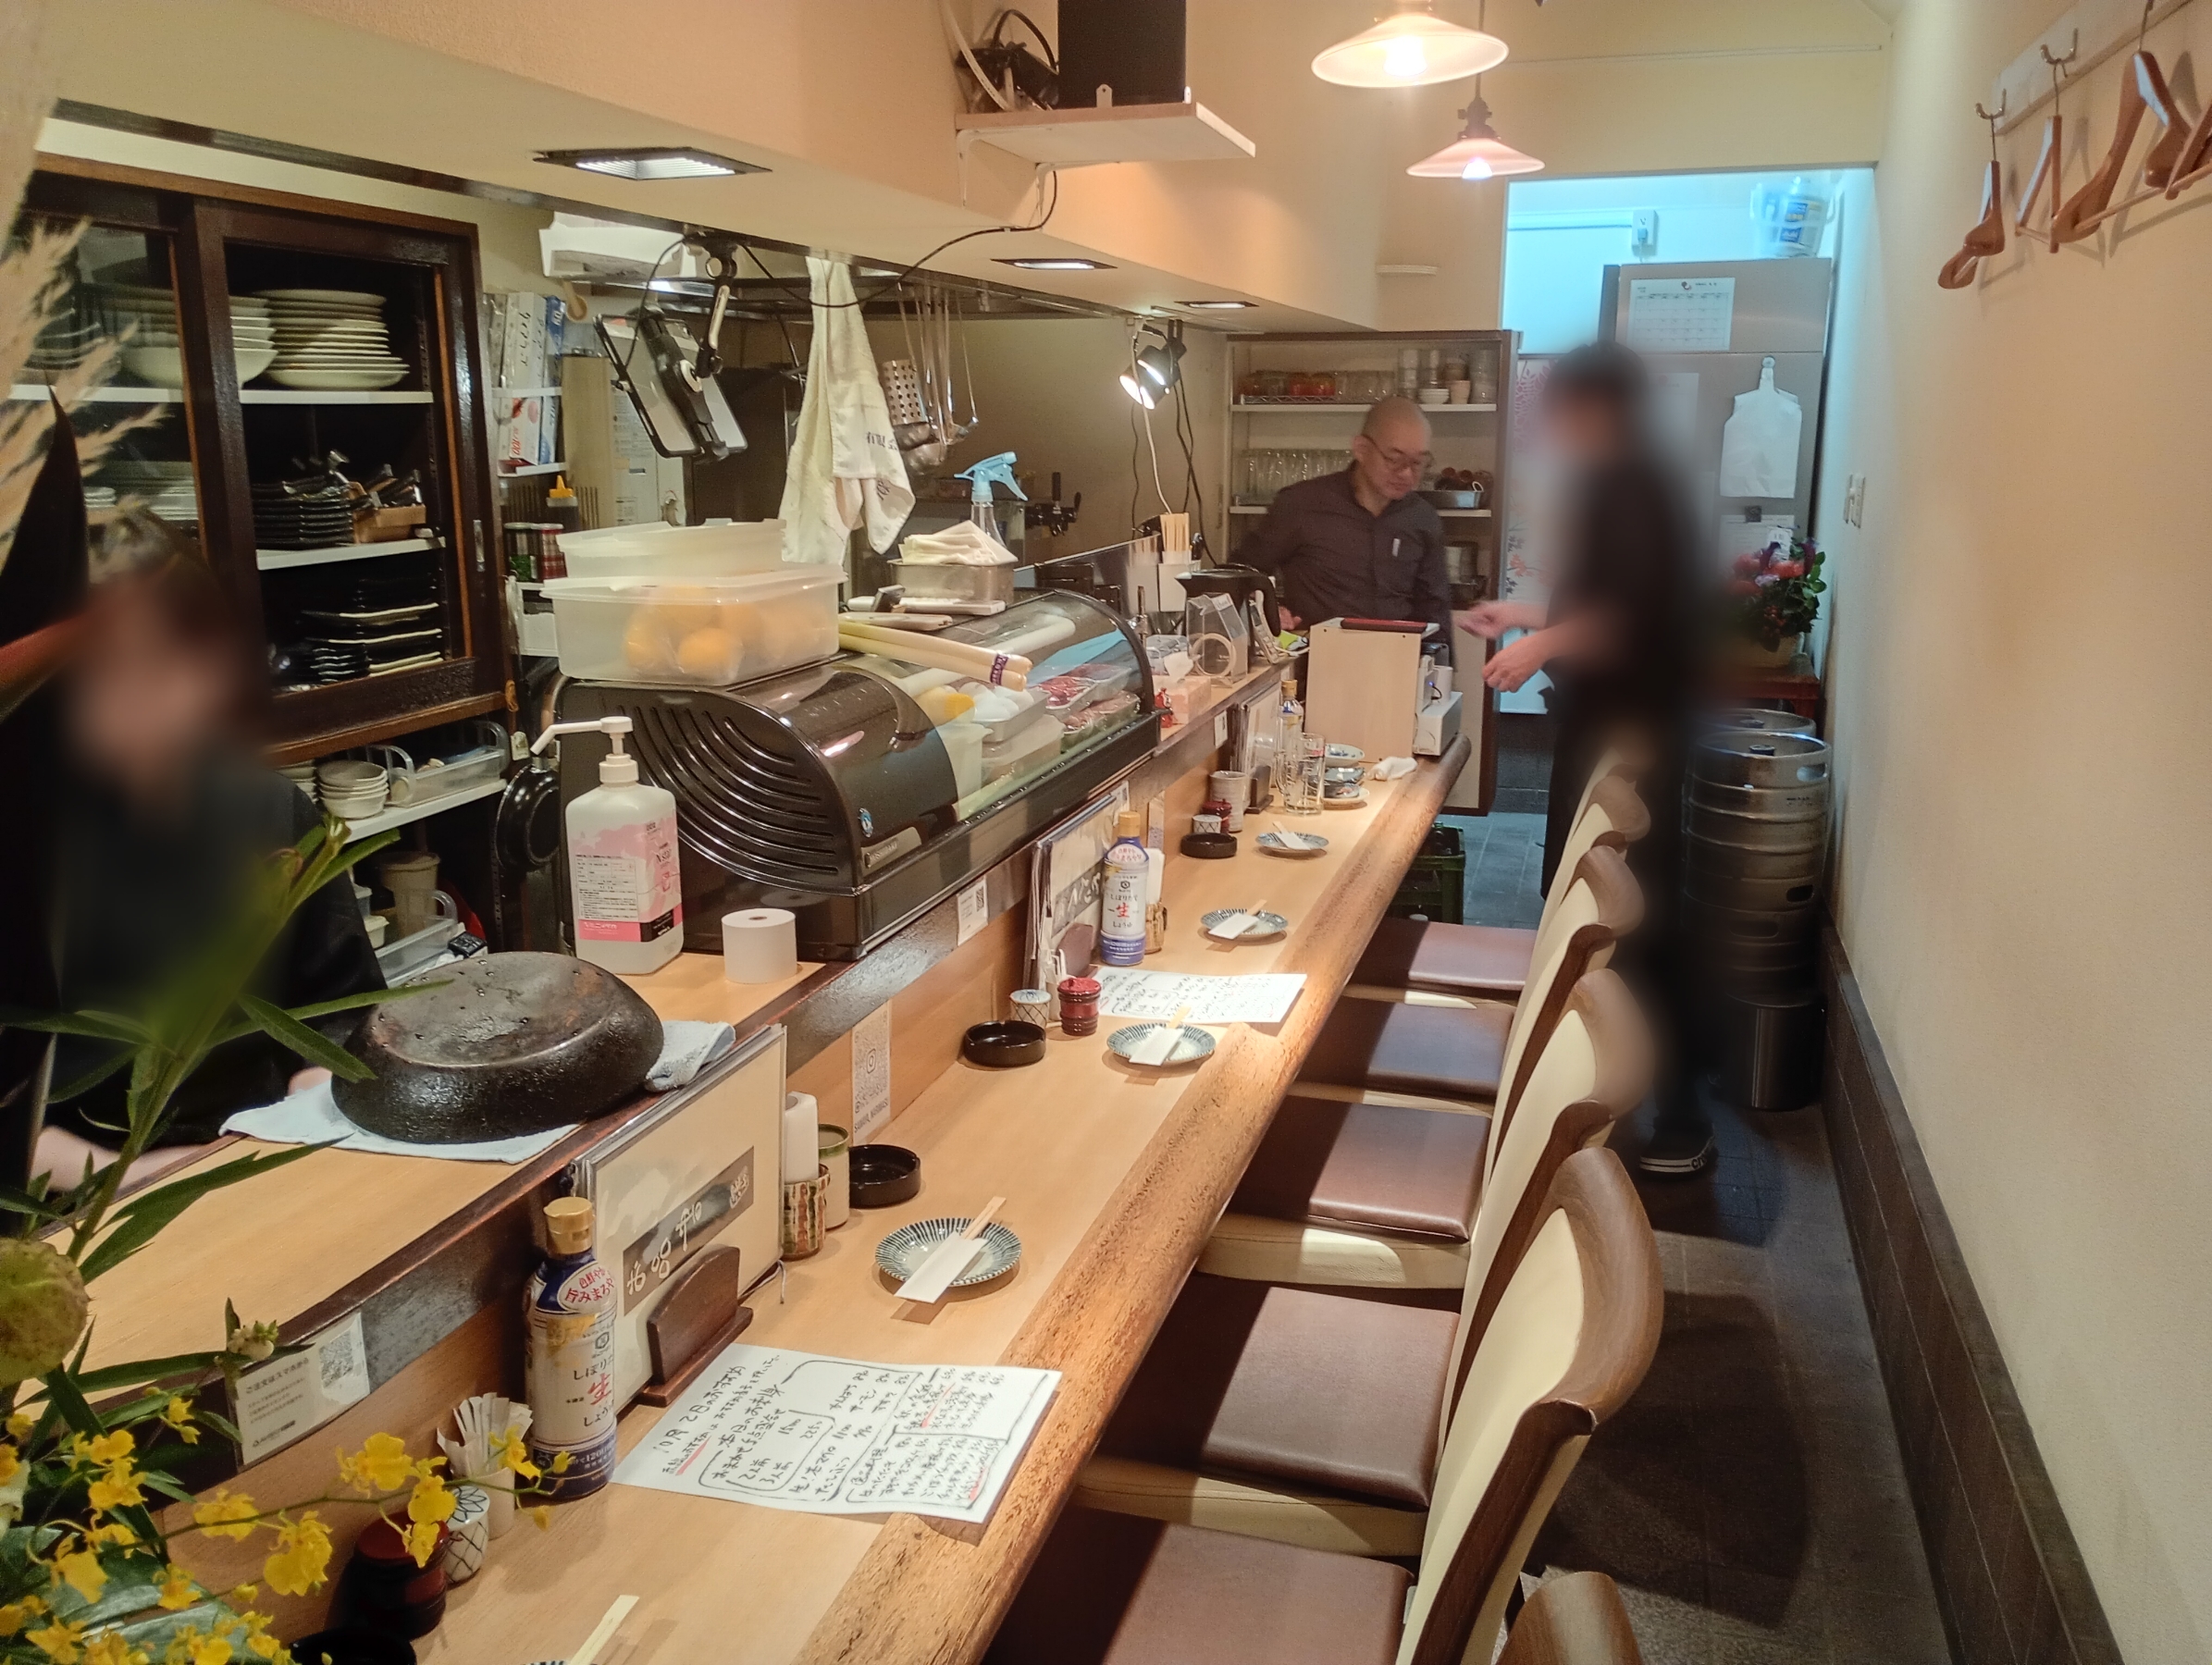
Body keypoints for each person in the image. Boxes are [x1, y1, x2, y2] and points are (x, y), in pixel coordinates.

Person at [35, 520, 383, 1178]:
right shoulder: (24, 844)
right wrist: (132, 1176)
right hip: (81, 1202)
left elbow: (343, 1011)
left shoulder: (269, 807)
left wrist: (304, 1113)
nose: (149, 694)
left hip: (253, 1157)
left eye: (173, 659)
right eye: (105, 668)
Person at [1457, 342, 1712, 1176]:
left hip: (1633, 729)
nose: (1551, 422)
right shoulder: (1622, 481)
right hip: (1613, 722)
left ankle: (1678, 1112)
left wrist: (1539, 646)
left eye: (1559, 406)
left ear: (1597, 409)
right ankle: (1607, 1082)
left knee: (1637, 916)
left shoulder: (1633, 486)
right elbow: (1600, 603)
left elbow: (1629, 618)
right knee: (1601, 907)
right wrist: (1523, 615)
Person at [1237, 397, 1453, 660]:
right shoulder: (1302, 505)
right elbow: (1239, 575)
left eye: (1418, 463)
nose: (1407, 474)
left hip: (1396, 668)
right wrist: (1269, 609)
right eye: (1394, 460)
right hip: (1314, 668)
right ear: (1361, 449)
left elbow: (1435, 610)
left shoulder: (1422, 518)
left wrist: (1440, 674)